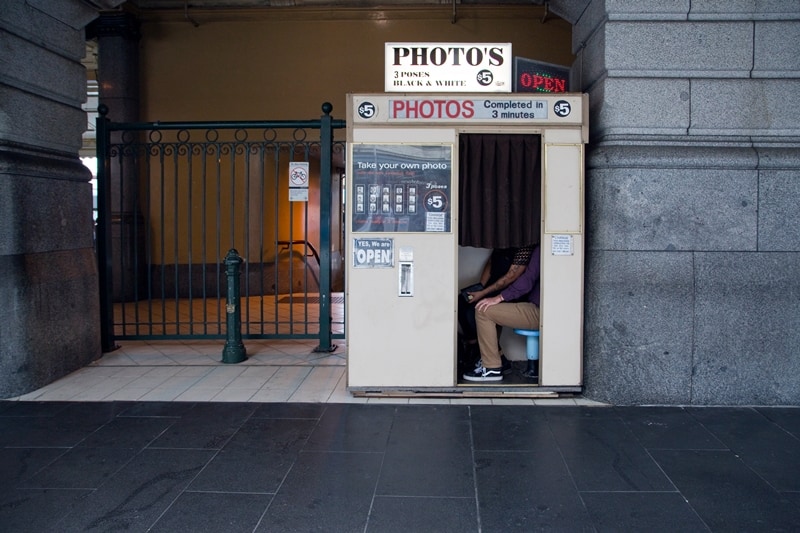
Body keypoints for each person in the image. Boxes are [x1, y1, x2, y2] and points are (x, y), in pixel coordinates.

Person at [462, 243, 540, 382]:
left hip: (541, 311)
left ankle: (491, 367)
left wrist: (499, 297)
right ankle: (495, 358)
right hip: (540, 308)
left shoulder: (540, 249)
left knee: (483, 310)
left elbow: (526, 280)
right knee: (486, 307)